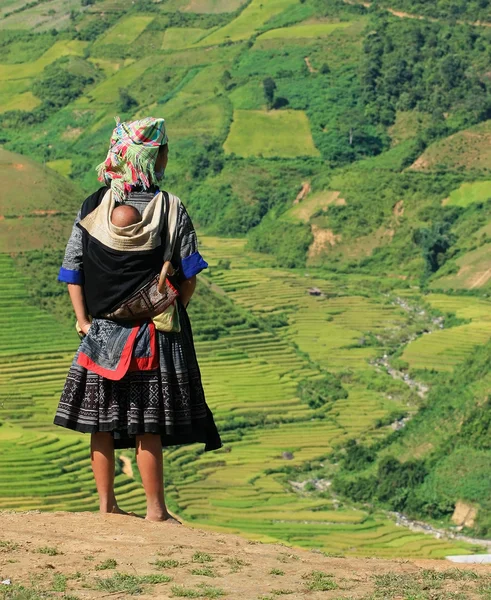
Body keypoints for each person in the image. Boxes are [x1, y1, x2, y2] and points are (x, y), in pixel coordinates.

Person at [54, 116, 222, 523]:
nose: (167, 157)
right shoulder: (170, 207)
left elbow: (72, 269)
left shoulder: (93, 205)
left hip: (102, 330)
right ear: (151, 157)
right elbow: (189, 275)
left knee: (101, 421)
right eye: (163, 150)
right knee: (149, 422)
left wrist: (82, 320)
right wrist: (168, 311)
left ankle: (106, 505)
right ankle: (155, 510)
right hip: (153, 332)